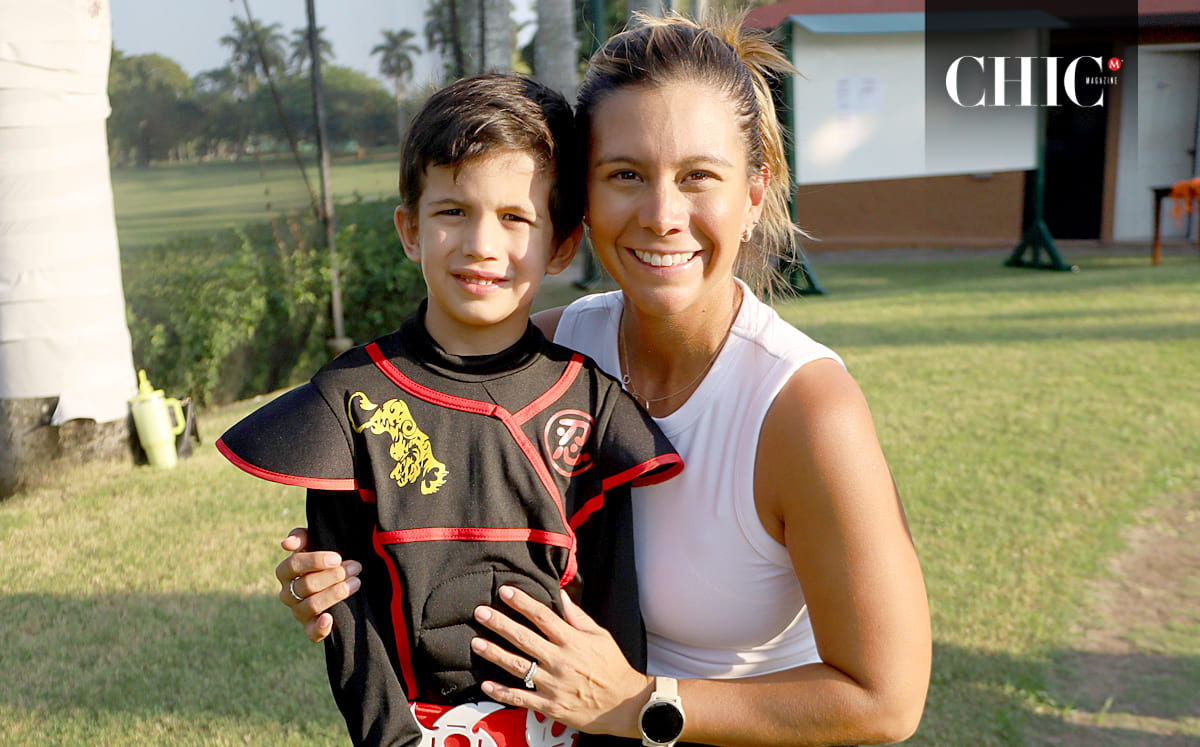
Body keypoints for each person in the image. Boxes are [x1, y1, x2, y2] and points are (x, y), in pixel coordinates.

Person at [278, 14, 931, 747]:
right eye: (626, 174)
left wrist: (642, 701)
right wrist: (340, 586)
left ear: (753, 195)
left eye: (698, 177)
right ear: (581, 200)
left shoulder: (805, 408)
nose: (660, 215)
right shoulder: (550, 352)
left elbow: (885, 701)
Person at [221, 73, 683, 747]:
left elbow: (616, 607)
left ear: (560, 244)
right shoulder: (353, 400)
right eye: (452, 212)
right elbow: (349, 615)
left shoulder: (590, 402)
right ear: (410, 229)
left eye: (514, 218)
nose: (481, 245)